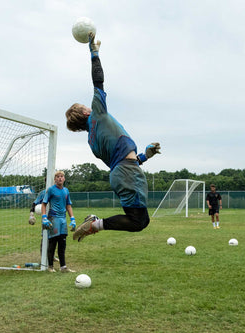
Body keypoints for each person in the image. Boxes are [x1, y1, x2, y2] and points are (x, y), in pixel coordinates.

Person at [65, 32, 161, 242]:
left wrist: (145, 156)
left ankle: (94, 223)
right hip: (126, 173)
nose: (87, 105)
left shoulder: (92, 141)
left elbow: (120, 160)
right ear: (84, 113)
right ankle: (94, 224)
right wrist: (94, 53)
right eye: (84, 106)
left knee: (140, 221)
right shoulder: (97, 115)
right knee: (138, 222)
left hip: (125, 171)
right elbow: (98, 81)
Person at [41, 171, 76, 273]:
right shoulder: (51, 190)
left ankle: (63, 267)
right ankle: (50, 266)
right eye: (57, 177)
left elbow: (68, 205)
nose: (60, 178)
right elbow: (44, 204)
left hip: (63, 219)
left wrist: (72, 218)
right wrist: (44, 217)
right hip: (53, 218)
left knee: (62, 243)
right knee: (53, 242)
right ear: (55, 179)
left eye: (61, 176)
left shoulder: (66, 191)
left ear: (64, 178)